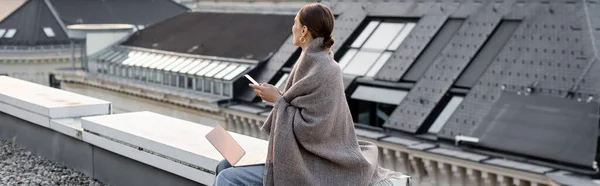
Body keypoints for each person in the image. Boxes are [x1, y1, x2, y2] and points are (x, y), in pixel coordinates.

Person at [213, 3, 404, 186]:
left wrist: (277, 100)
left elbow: (314, 129)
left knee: (228, 179)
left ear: (304, 30)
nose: (292, 28)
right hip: (298, 156)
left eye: (295, 23)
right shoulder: (310, 61)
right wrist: (278, 96)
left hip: (312, 164)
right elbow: (303, 106)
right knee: (224, 165)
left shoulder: (323, 68)